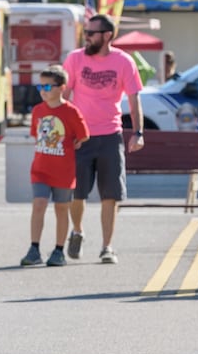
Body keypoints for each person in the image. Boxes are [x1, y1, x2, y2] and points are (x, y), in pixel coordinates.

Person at [63, 15, 144, 264]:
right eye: (86, 32)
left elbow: (133, 99)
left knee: (111, 194)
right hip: (80, 137)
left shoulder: (123, 61)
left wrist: (139, 132)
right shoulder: (75, 58)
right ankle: (77, 231)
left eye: (91, 33)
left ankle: (107, 246)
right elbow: (64, 94)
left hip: (110, 135)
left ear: (107, 35)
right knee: (76, 193)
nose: (86, 36)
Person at [22, 65, 89, 268]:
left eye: (48, 86)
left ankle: (59, 250)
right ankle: (34, 248)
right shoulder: (38, 111)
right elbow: (37, 134)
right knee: (39, 204)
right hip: (41, 168)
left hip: (63, 171)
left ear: (61, 88)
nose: (43, 90)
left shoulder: (71, 111)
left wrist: (76, 142)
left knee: (61, 209)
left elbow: (83, 135)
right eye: (40, 86)